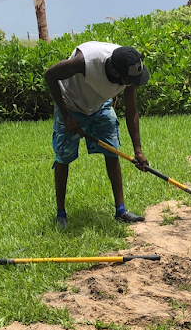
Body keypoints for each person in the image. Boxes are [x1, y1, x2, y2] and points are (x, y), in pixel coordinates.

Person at [44, 42, 150, 228]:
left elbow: (131, 111)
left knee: (112, 151)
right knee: (63, 156)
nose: (132, 84)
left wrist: (138, 150)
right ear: (115, 73)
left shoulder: (129, 68)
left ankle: (121, 211)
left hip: (100, 106)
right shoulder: (85, 61)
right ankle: (61, 214)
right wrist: (67, 117)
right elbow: (50, 75)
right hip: (70, 104)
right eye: (129, 81)